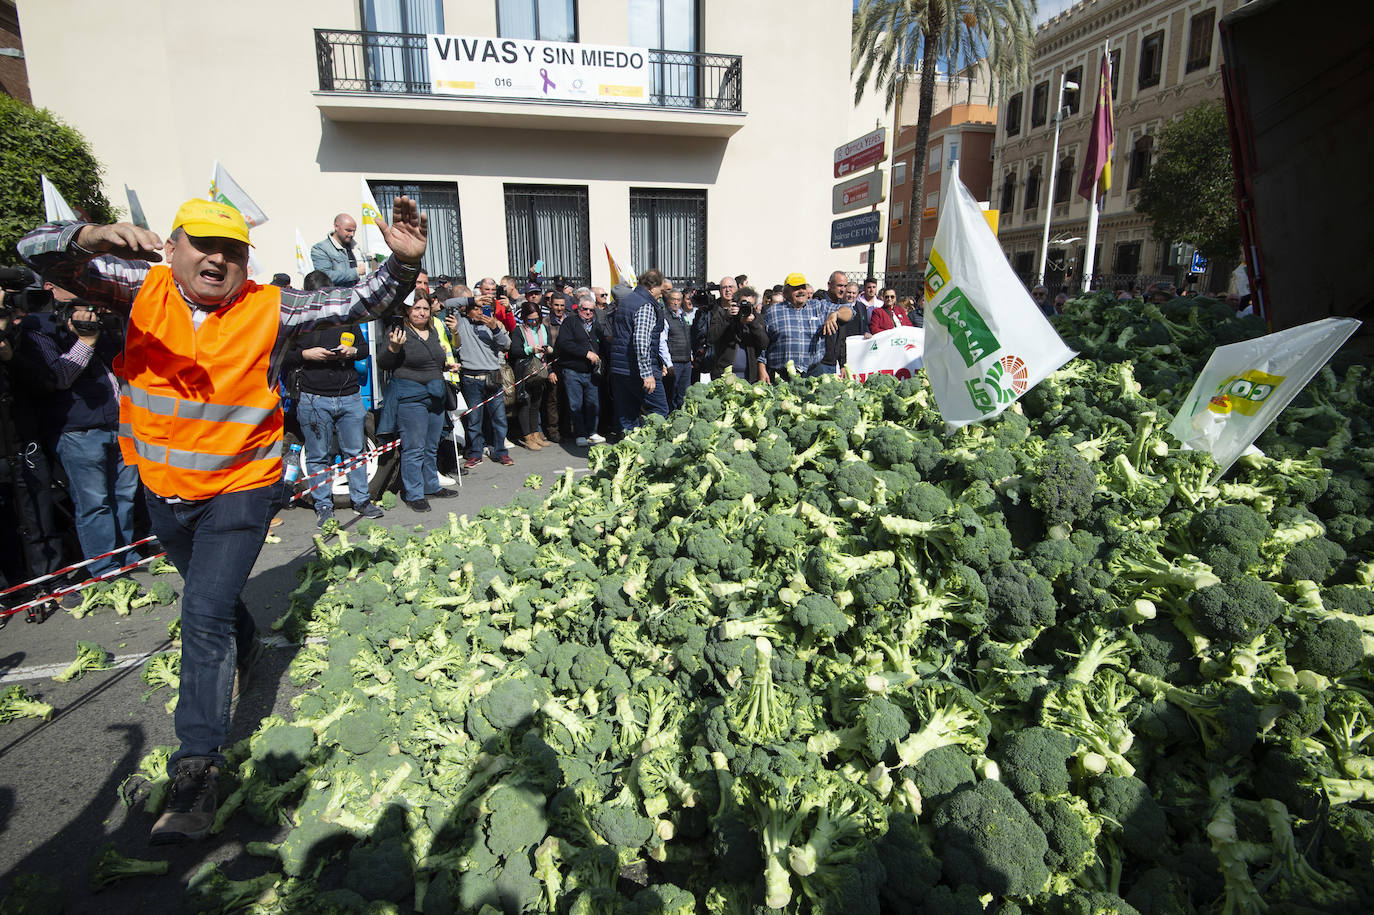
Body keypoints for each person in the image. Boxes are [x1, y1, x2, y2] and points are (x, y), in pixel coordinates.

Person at [18, 195, 427, 844]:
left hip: (240, 491)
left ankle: (196, 771)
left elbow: (359, 303)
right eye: (204, 243)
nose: (218, 258)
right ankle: (249, 641)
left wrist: (402, 268)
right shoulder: (138, 285)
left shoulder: (272, 308)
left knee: (202, 614)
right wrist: (92, 232)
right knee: (215, 604)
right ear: (172, 246)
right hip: (163, 490)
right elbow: (31, 248)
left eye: (233, 249)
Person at [25, 284, 139, 578]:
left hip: (119, 421)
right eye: (69, 279)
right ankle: (105, 569)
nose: (81, 283)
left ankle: (128, 556)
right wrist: (85, 340)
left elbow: (122, 362)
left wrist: (108, 324)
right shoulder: (39, 327)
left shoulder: (94, 316)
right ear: (50, 286)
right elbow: (60, 376)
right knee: (94, 503)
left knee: (125, 496)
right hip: (79, 430)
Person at [285, 270, 383, 527]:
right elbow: (282, 356)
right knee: (318, 456)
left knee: (356, 451)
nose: (324, 301)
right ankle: (323, 506)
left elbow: (363, 349)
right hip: (313, 397)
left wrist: (351, 351)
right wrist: (307, 354)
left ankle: (361, 500)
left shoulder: (345, 317)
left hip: (349, 395)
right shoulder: (297, 321)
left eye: (327, 295)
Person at [379, 295, 458, 510]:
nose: (422, 312)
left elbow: (431, 361)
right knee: (414, 448)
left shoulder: (432, 331)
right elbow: (383, 362)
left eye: (425, 308)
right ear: (407, 311)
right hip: (411, 397)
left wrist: (446, 367)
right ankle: (413, 493)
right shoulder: (397, 332)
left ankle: (431, 486)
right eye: (416, 308)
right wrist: (394, 348)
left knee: (432, 446)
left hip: (435, 395)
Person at [447, 299, 514, 470]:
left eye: (482, 309)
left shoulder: (494, 324)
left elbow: (506, 345)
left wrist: (494, 327)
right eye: (474, 308)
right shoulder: (461, 323)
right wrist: (471, 299)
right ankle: (476, 453)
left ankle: (500, 451)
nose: (479, 312)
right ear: (467, 311)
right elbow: (447, 302)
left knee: (499, 418)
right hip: (470, 378)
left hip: (493, 376)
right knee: (474, 420)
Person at [758, 273, 853, 383]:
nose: (801, 291)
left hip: (812, 373)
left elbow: (849, 311)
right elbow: (763, 344)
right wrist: (762, 368)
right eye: (796, 288)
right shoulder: (773, 312)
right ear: (785, 292)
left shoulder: (818, 307)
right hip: (781, 376)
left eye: (803, 287)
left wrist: (835, 314)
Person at [609, 269, 667, 432]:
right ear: (651, 287)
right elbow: (641, 341)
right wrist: (647, 373)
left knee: (627, 416)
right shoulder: (646, 305)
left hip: (621, 368)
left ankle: (630, 450)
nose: (661, 295)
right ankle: (654, 450)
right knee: (660, 411)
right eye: (660, 290)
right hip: (637, 370)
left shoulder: (627, 300)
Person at [555, 294, 605, 446]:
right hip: (573, 370)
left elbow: (602, 345)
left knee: (593, 404)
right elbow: (564, 343)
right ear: (579, 309)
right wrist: (585, 353)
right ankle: (580, 434)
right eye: (585, 309)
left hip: (591, 372)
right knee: (576, 405)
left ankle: (593, 432)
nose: (588, 312)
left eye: (591, 310)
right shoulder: (570, 322)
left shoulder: (597, 325)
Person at [512, 301, 552, 450]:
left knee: (536, 403)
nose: (534, 322)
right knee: (525, 403)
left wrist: (549, 350)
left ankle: (536, 433)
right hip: (525, 370)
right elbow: (514, 351)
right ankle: (527, 437)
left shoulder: (543, 328)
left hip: (540, 369)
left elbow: (551, 346)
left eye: (537, 318)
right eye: (531, 320)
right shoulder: (519, 330)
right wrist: (530, 349)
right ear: (524, 318)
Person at [706, 285, 767, 383]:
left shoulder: (757, 318)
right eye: (743, 304)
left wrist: (752, 323)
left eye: (749, 305)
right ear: (736, 303)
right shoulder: (723, 314)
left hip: (750, 377)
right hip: (724, 376)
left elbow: (764, 343)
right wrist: (728, 318)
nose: (745, 307)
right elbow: (711, 338)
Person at [309, 214, 367, 287]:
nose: (352, 234)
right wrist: (356, 272)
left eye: (354, 231)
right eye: (348, 230)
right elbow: (324, 277)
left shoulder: (356, 248)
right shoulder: (320, 249)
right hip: (337, 296)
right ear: (336, 227)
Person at [662, 289, 694, 410]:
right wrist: (668, 363)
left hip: (686, 361)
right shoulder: (665, 317)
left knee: (684, 395)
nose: (676, 303)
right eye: (673, 299)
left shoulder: (683, 315)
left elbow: (688, 336)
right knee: (671, 395)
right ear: (668, 301)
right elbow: (662, 341)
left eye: (678, 300)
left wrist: (690, 353)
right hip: (674, 362)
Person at [542, 292, 566, 441]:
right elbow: (544, 351)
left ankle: (567, 429)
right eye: (556, 305)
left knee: (567, 399)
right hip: (553, 365)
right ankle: (553, 431)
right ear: (550, 304)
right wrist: (549, 370)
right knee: (553, 400)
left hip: (569, 365)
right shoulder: (545, 323)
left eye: (562, 305)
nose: (559, 308)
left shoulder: (570, 319)